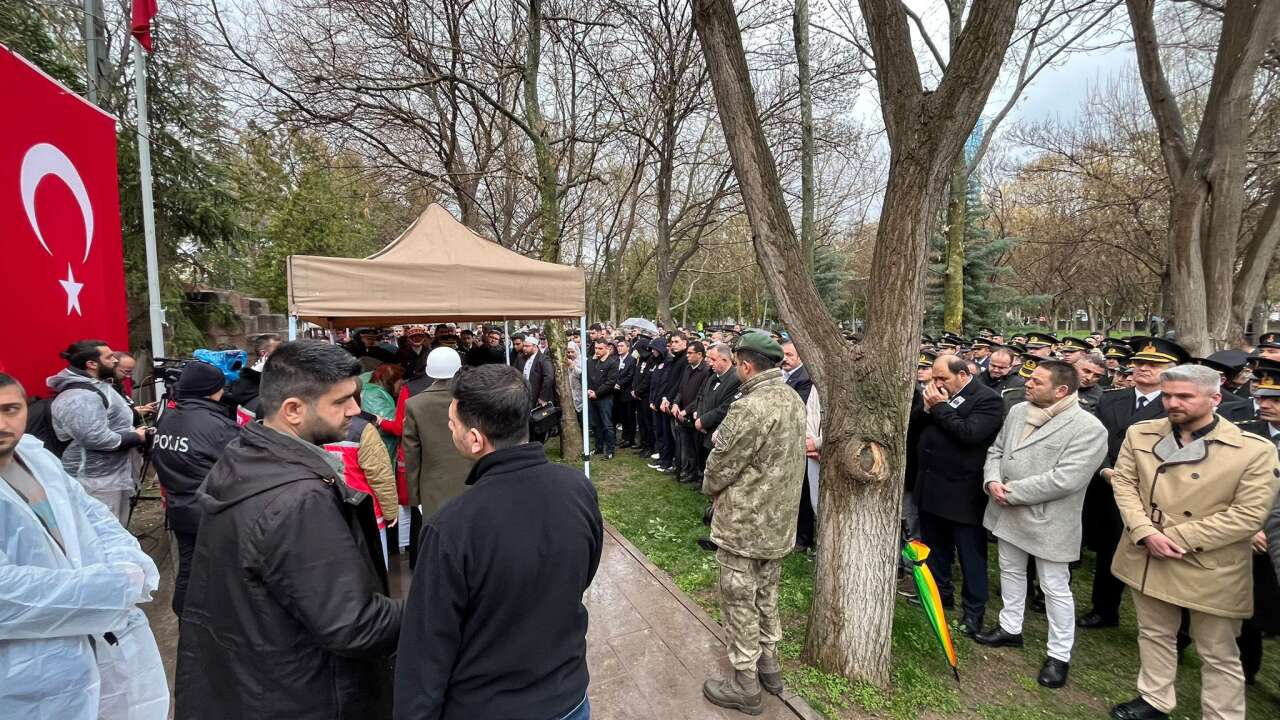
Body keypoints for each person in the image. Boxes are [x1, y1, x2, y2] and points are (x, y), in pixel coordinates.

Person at [175, 341, 402, 719]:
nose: (356, 410)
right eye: (342, 400)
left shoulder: (245, 456)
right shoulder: (300, 499)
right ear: (294, 409)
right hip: (302, 693)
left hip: (255, 682)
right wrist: (436, 603)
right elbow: (352, 624)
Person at [394, 365, 602, 720]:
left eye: (452, 423)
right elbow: (583, 572)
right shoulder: (577, 487)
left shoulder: (452, 526)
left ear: (475, 438)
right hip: (568, 696)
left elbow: (427, 647)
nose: (449, 428)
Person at [1107, 365, 1279, 720]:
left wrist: (1174, 537)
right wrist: (1145, 533)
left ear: (1215, 398)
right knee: (1154, 632)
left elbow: (1248, 515)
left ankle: (1222, 714)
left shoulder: (1253, 450)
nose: (1173, 403)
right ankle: (1154, 698)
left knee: (1217, 650)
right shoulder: (1141, 433)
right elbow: (1124, 484)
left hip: (1210, 563)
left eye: (1185, 396)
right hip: (1147, 551)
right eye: (1168, 395)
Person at [0, 373, 169, 720]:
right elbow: (7, 596)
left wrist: (128, 562)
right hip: (20, 674)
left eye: (10, 409)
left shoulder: (36, 457)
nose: (2, 423)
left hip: (88, 650)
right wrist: (114, 585)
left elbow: (92, 515)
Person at [976, 361, 1107, 689]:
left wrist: (1012, 492)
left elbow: (1066, 479)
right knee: (1010, 571)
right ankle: (1010, 628)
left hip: (1048, 521)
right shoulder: (1020, 410)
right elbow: (997, 450)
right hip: (1006, 511)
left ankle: (1059, 654)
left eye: (1035, 381)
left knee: (1054, 587)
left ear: (1061, 390)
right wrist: (992, 480)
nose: (1027, 383)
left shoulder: (1088, 428)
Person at [700, 332, 807, 714]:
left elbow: (722, 464)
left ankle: (745, 684)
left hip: (745, 525)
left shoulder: (750, 406)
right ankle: (770, 668)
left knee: (739, 601)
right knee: (767, 596)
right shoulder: (792, 397)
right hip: (778, 522)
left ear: (745, 364)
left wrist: (709, 486)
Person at [1080, 337, 1189, 630]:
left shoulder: (1177, 407)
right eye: (1140, 362)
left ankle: (1169, 627)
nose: (1143, 368)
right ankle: (1104, 609)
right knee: (1108, 549)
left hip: (1154, 495)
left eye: (1154, 364)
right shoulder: (1112, 398)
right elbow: (1096, 441)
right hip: (1106, 487)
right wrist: (1105, 471)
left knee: (1157, 559)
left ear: (1173, 369)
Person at [913, 354, 1004, 636]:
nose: (937, 383)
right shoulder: (933, 397)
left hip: (963, 492)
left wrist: (939, 408)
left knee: (970, 556)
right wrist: (927, 409)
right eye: (934, 378)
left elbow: (969, 434)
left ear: (963, 375)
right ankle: (941, 594)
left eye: (943, 379)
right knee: (935, 548)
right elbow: (914, 428)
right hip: (930, 486)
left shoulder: (987, 400)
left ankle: (974, 610)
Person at [149, 362, 240, 615]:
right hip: (211, 510)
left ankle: (185, 613)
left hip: (179, 505)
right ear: (215, 389)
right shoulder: (218, 426)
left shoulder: (168, 416)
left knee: (189, 567)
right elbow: (242, 468)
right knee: (220, 570)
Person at [47, 339, 149, 525]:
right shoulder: (80, 397)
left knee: (115, 529)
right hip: (95, 482)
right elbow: (94, 438)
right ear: (92, 364)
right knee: (103, 533)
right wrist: (135, 437)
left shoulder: (97, 385)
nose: (115, 361)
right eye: (109, 357)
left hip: (110, 477)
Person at [1229, 357, 1280, 687]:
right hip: (1243, 536)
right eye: (1262, 397)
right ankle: (1244, 671)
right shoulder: (1244, 434)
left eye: (1275, 400)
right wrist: (1248, 528)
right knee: (1243, 609)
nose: (1265, 405)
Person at [403, 347, 474, 568]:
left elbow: (411, 453)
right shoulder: (471, 401)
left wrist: (415, 496)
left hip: (433, 484)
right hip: (473, 478)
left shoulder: (415, 404)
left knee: (440, 541)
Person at [694, 342, 741, 487]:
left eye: (713, 359)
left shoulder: (735, 379)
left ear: (725, 360)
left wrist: (703, 421)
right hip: (703, 427)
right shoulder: (714, 376)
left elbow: (725, 408)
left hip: (716, 430)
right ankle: (701, 481)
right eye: (708, 359)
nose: (709, 362)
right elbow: (702, 397)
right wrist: (699, 416)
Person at [673, 340, 712, 483]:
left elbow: (700, 396)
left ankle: (696, 473)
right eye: (687, 353)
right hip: (682, 414)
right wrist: (676, 403)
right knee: (686, 445)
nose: (687, 356)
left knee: (696, 447)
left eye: (690, 353)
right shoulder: (687, 368)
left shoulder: (706, 371)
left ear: (699, 354)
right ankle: (688, 470)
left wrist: (687, 410)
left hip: (694, 415)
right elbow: (681, 389)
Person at [586, 338, 620, 459]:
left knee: (607, 424)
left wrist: (597, 393)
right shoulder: (590, 361)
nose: (597, 351)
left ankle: (610, 450)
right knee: (595, 425)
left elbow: (610, 382)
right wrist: (588, 390)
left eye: (600, 348)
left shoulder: (612, 363)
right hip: (591, 397)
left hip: (605, 398)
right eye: (596, 348)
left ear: (607, 348)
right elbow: (585, 377)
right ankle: (598, 448)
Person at [614, 338, 637, 448]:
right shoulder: (616, 359)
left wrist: (619, 384)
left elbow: (630, 375)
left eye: (622, 346)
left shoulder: (631, 360)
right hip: (617, 393)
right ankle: (624, 437)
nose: (619, 348)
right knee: (623, 417)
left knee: (629, 417)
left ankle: (630, 439)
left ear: (628, 348)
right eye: (618, 346)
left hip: (627, 393)